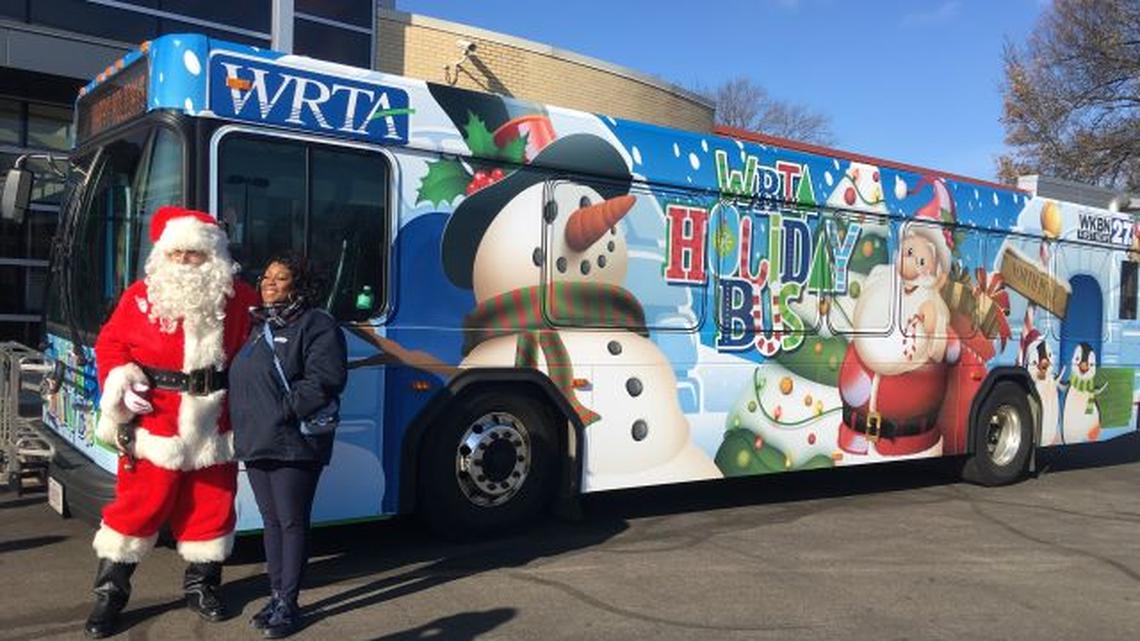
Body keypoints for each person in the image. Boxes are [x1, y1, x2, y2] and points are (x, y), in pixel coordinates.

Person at [86, 206, 259, 638]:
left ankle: (202, 586)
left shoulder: (241, 299)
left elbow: (261, 352)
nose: (184, 262)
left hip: (216, 422)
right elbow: (111, 344)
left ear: (214, 256)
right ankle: (110, 593)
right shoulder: (140, 296)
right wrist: (121, 382)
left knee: (212, 507)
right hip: (155, 421)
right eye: (177, 253)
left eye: (195, 255)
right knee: (136, 507)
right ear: (163, 254)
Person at [230, 253, 347, 638]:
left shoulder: (316, 324)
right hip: (258, 440)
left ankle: (288, 604)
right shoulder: (258, 324)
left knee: (292, 522)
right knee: (271, 523)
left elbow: (325, 379)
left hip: (293, 443)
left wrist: (281, 411)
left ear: (299, 285)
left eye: (281, 278)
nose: (269, 283)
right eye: (266, 277)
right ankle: (276, 594)